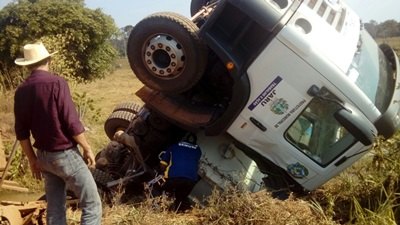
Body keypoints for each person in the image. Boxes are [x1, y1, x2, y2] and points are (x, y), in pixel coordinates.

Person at [13, 42, 102, 225]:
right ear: (48, 59)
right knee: (92, 204)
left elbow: (21, 133)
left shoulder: (21, 91)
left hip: (43, 158)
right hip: (64, 154)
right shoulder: (56, 83)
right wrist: (87, 148)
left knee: (55, 209)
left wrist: (33, 160)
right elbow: (71, 122)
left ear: (27, 65)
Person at [158, 132, 202, 211]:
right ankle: (178, 212)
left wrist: (162, 173)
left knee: (164, 191)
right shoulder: (198, 150)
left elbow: (163, 164)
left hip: (174, 178)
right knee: (181, 198)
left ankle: (161, 208)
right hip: (190, 181)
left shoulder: (174, 146)